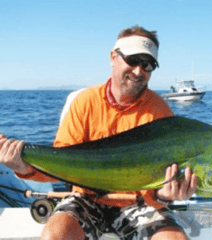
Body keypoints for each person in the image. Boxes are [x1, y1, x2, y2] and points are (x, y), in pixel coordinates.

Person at [0, 25, 197, 240]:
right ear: (113, 57)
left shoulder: (161, 113)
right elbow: (59, 165)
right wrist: (22, 167)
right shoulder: (84, 102)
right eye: (132, 60)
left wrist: (164, 195)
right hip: (85, 199)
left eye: (147, 64)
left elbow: (162, 183)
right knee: (55, 235)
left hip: (138, 203)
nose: (139, 71)